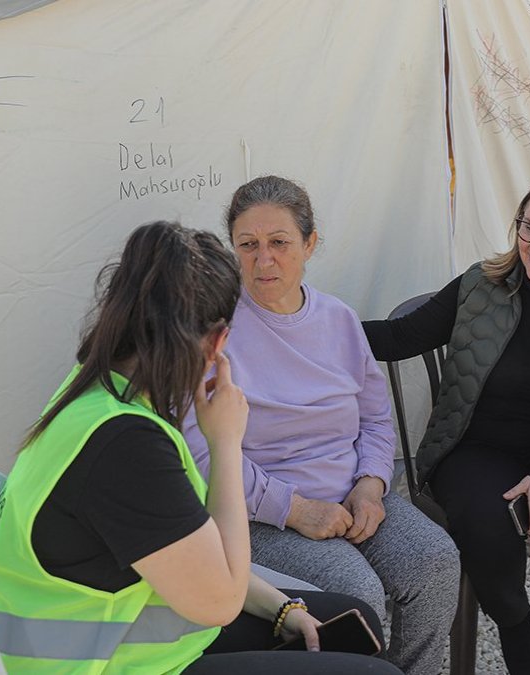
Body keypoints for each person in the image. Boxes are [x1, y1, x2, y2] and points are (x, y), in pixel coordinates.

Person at [0, 221, 400, 675]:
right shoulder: (127, 444)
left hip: (111, 631)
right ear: (217, 342)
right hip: (94, 665)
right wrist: (225, 443)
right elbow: (221, 601)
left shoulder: (97, 390)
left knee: (352, 617)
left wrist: (282, 607)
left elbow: (190, 548)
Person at [181, 176, 460, 675]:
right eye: (248, 245)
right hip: (263, 515)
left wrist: (371, 485)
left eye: (279, 242)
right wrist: (295, 509)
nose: (263, 260)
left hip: (353, 497)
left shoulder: (339, 319)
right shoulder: (215, 332)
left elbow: (375, 417)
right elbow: (201, 451)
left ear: (310, 244)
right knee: (357, 593)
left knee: (435, 560)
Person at [364, 171, 530, 675]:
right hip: (477, 447)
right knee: (485, 519)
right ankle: (521, 643)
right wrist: (308, 322)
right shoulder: (481, 285)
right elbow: (400, 337)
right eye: (528, 228)